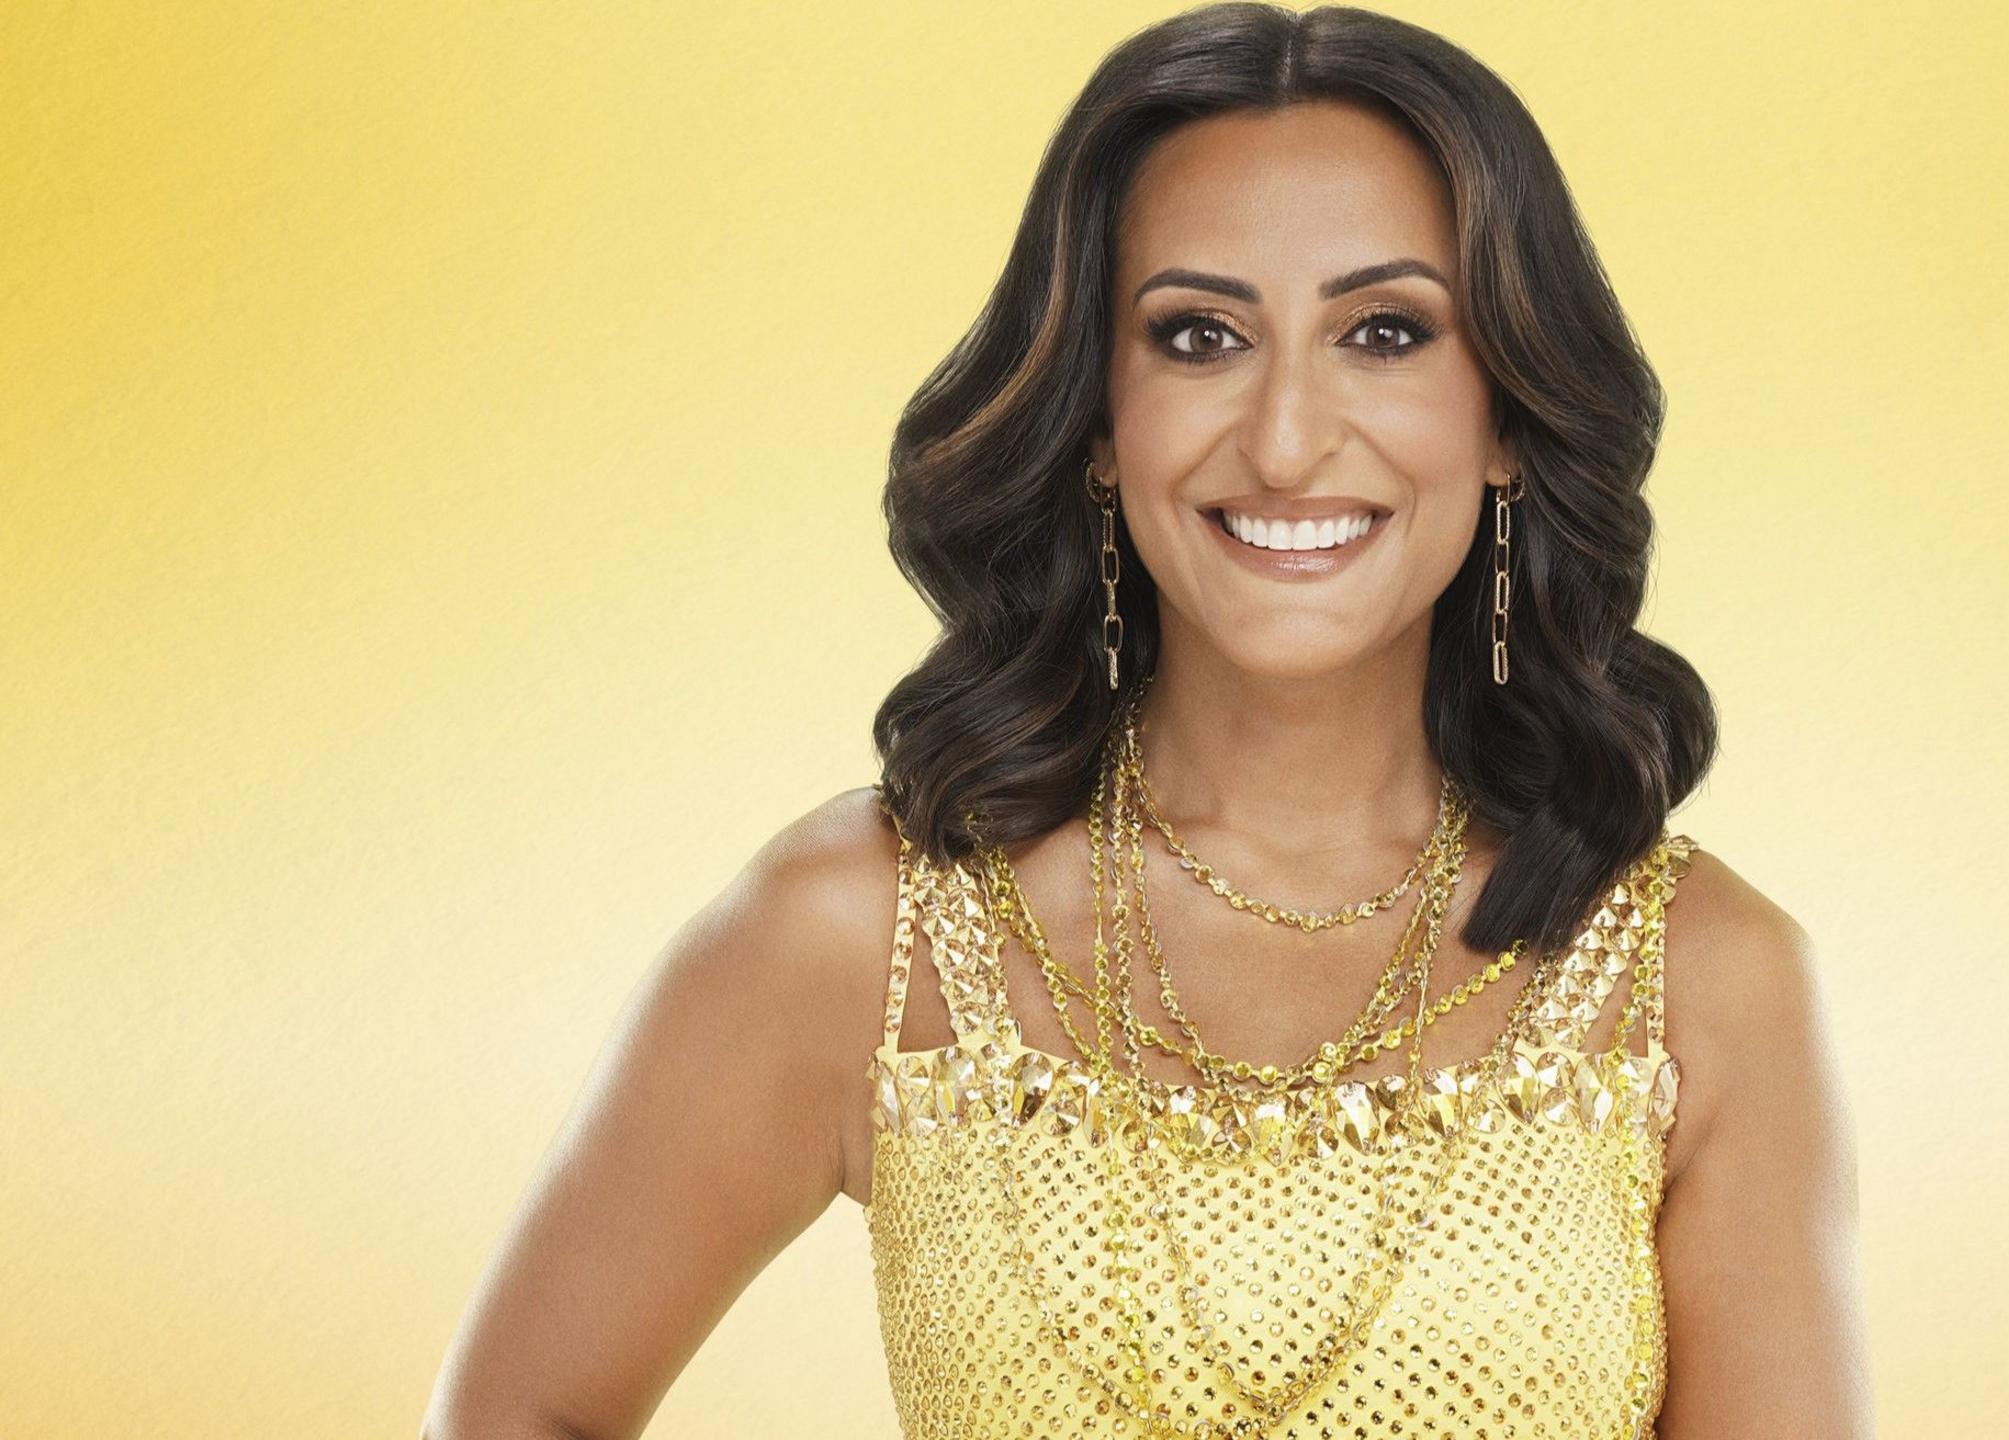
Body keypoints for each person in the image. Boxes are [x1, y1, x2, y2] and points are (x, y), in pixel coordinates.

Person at [424, 5, 1872, 1437]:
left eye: (1384, 331)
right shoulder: (870, 937)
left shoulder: (1702, 986)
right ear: (1099, 423)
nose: (1290, 438)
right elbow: (518, 1410)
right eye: (1198, 336)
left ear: (1503, 419)